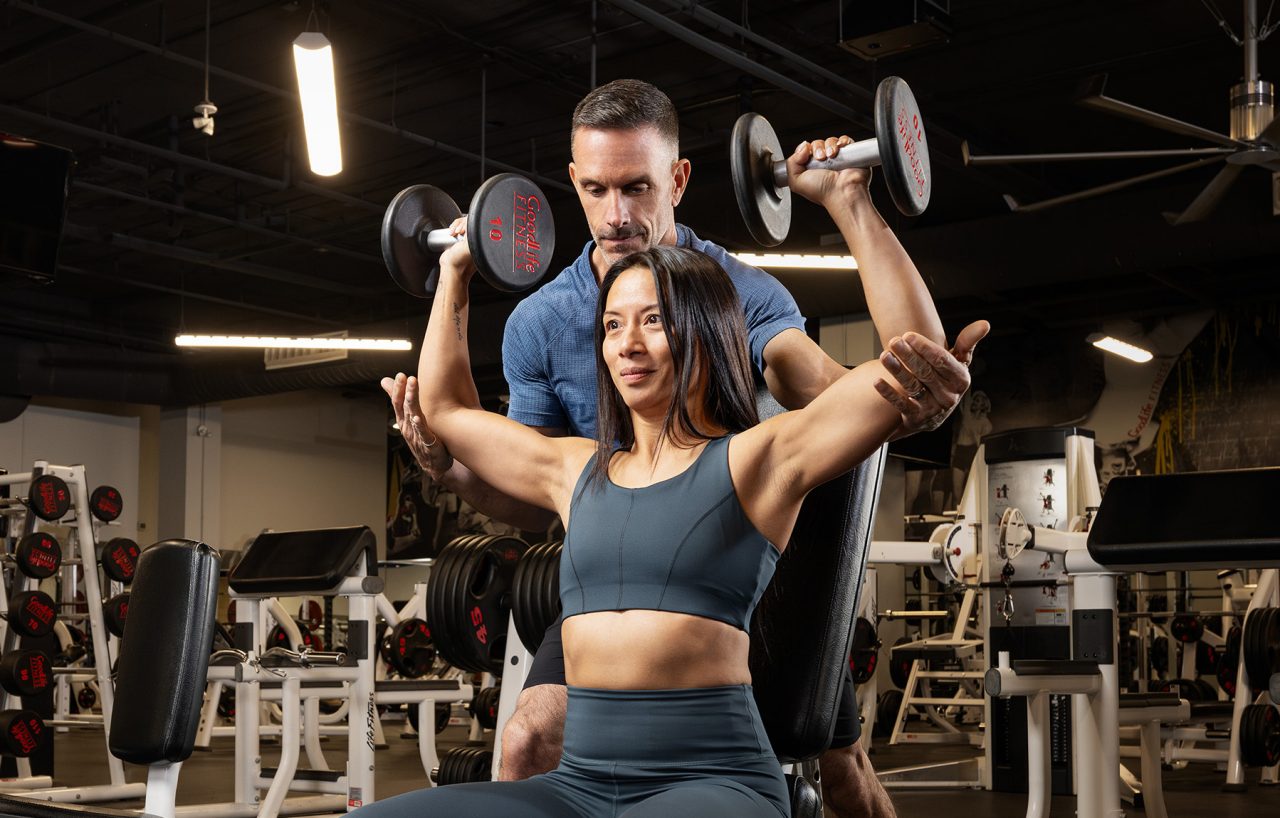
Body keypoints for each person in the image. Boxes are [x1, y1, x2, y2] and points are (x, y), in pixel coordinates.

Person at [383, 79, 988, 817]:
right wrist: (454, 290)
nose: (617, 214)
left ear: (676, 179)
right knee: (527, 739)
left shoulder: (732, 293)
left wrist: (849, 205)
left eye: (636, 187)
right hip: (609, 561)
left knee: (839, 763)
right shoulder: (547, 350)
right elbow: (506, 473)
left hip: (744, 550)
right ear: (573, 183)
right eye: (598, 190)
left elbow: (868, 388)